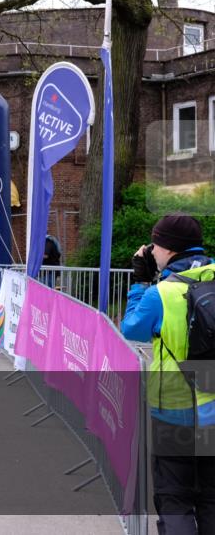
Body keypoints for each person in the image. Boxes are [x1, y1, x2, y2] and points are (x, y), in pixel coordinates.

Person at [120, 214, 214, 535]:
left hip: (174, 410)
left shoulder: (160, 293)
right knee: (211, 497)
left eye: (155, 245)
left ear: (169, 250)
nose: (151, 252)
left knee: (175, 498)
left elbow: (132, 329)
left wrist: (140, 282)